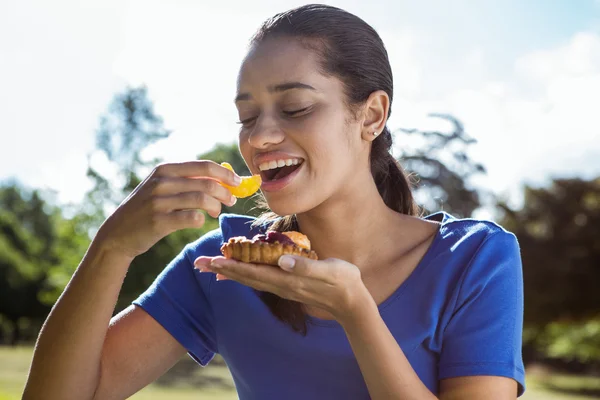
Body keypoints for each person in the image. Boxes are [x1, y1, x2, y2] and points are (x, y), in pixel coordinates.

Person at [23, 4, 525, 399]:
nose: (260, 137)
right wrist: (111, 246)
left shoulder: (476, 261)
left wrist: (356, 312)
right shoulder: (223, 264)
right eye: (246, 117)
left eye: (295, 108)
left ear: (371, 115)